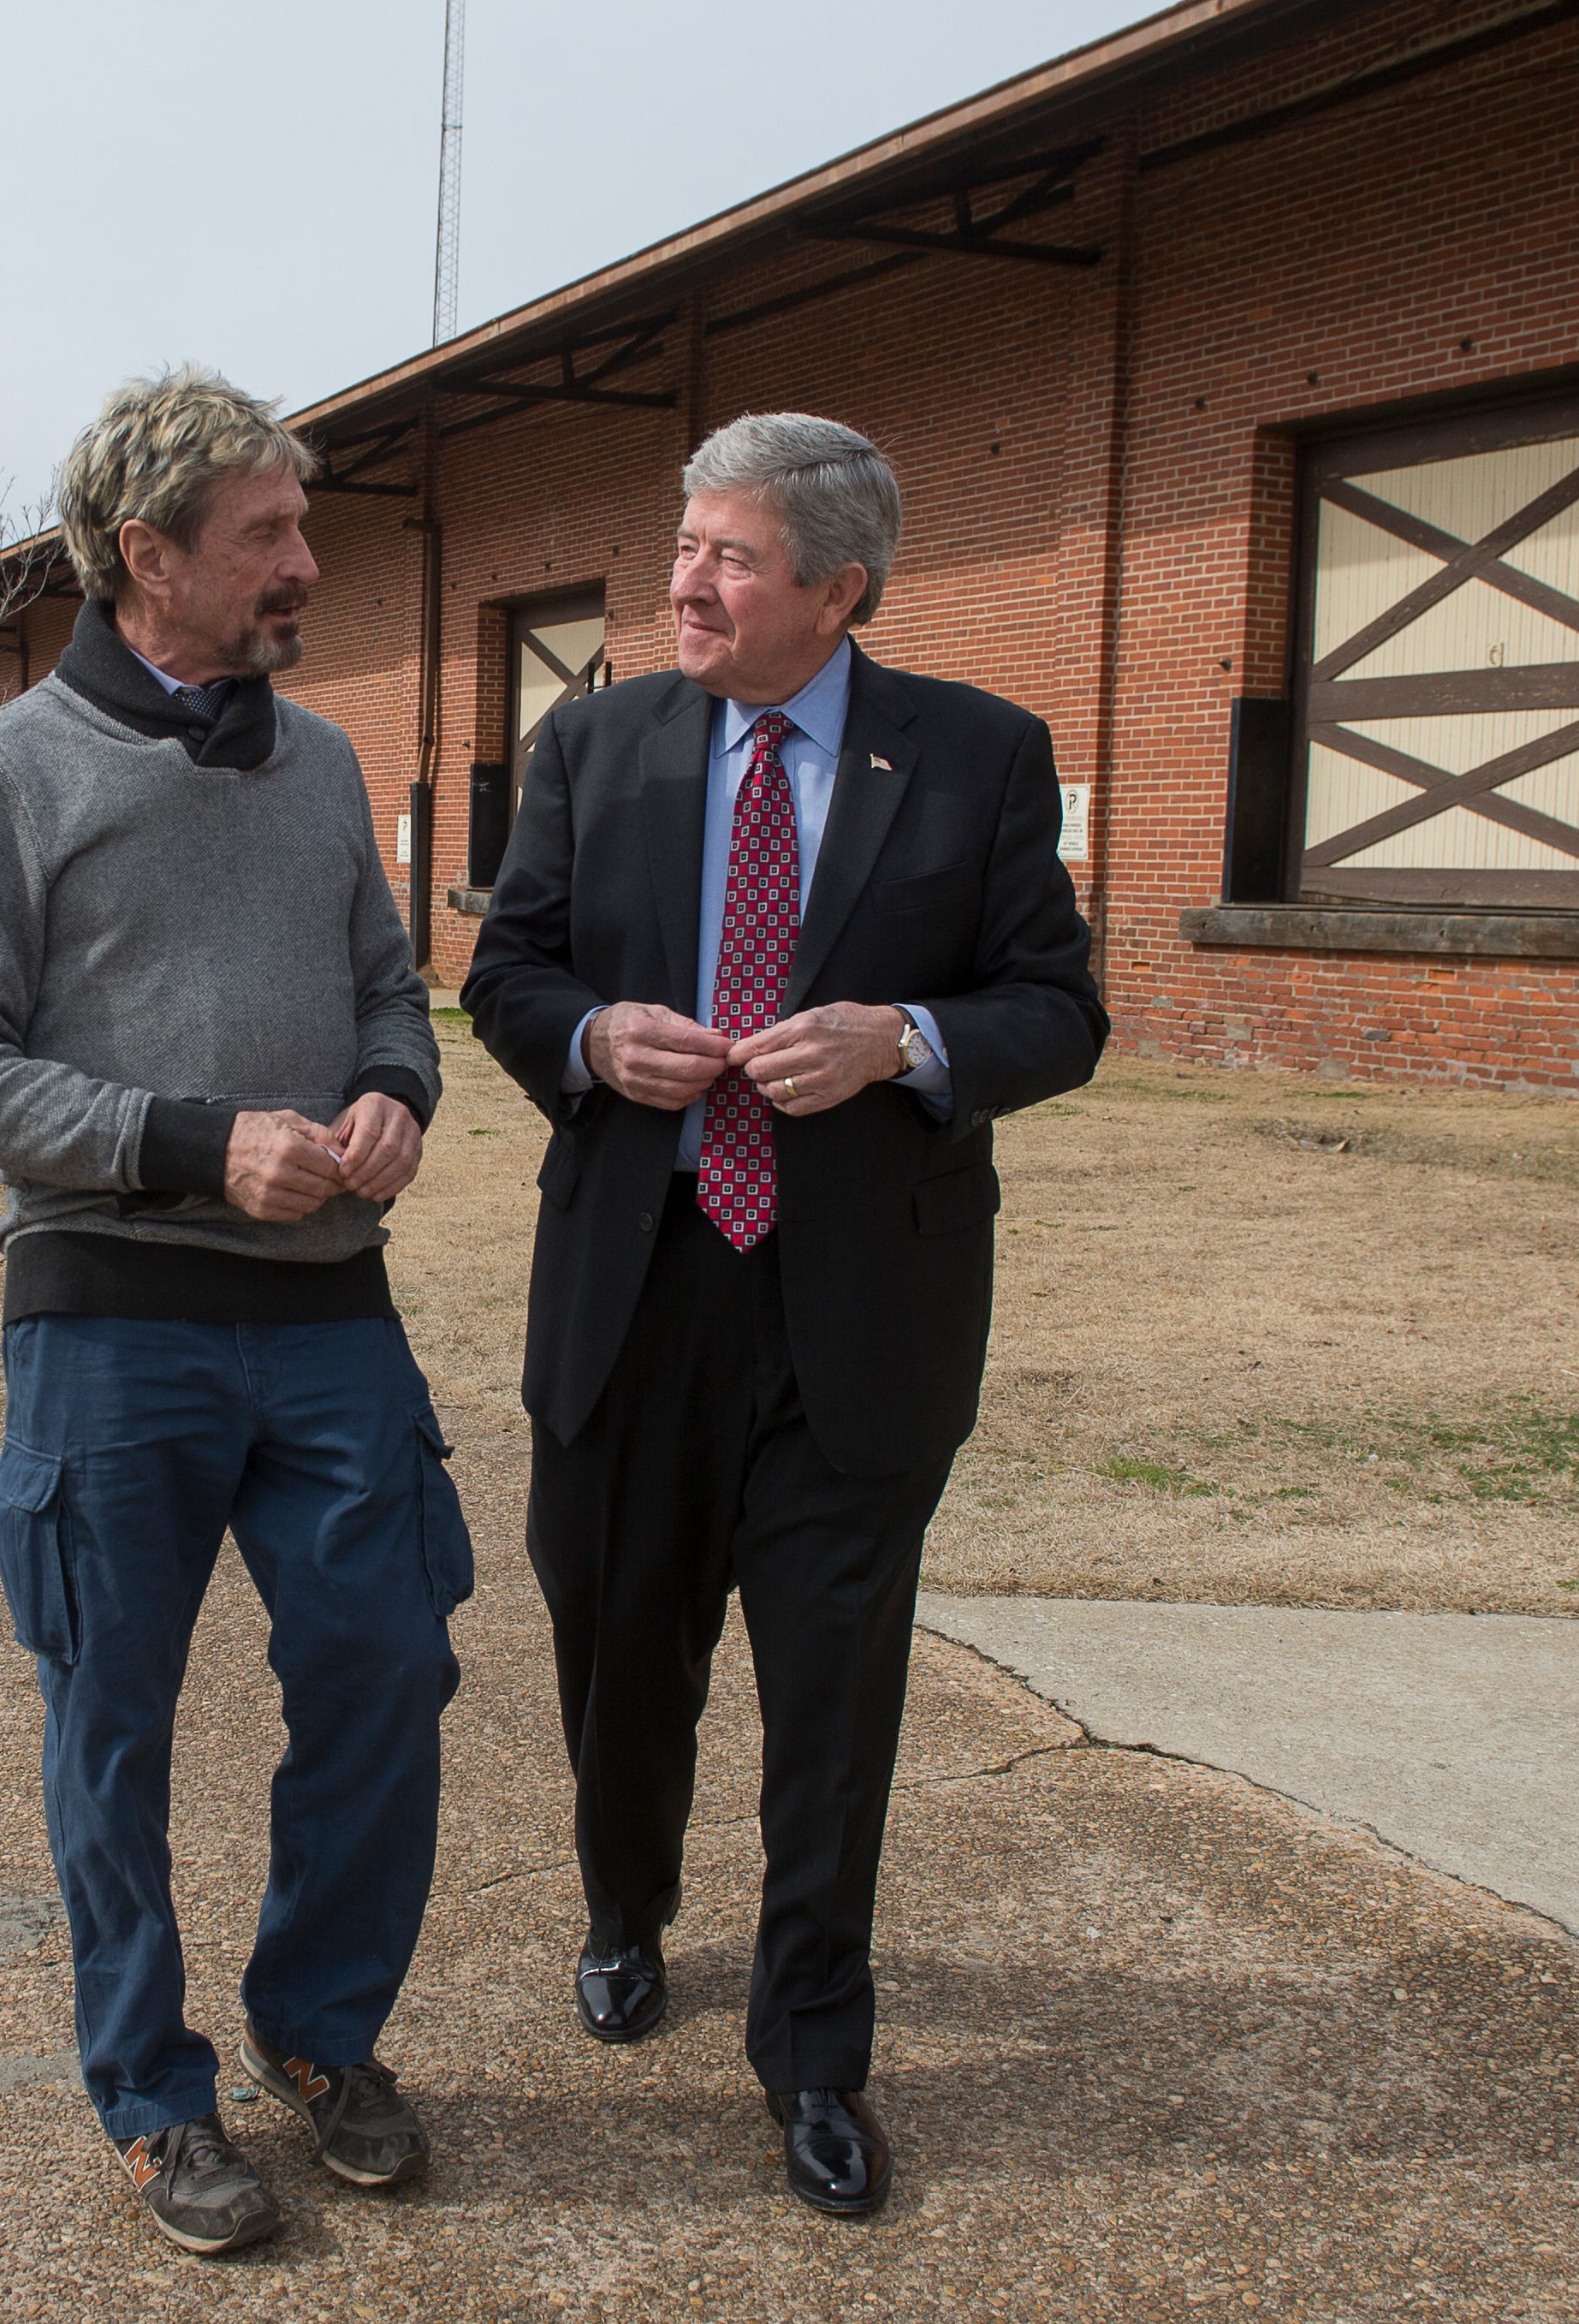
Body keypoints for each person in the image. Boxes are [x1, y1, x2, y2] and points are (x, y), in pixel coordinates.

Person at [460, 412, 1106, 2216]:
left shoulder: (977, 757)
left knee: (833, 1703)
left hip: (858, 1318)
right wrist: (592, 1041)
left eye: (727, 556)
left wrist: (908, 1043)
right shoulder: (595, 744)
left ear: (836, 586)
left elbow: (1059, 1011)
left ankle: (815, 2048)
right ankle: (625, 1906)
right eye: (682, 547)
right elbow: (504, 975)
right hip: (633, 1296)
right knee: (618, 1650)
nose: (682, 583)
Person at [0, 367, 465, 2258]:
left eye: (301, 528)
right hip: (108, 1323)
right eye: (268, 535)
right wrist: (189, 1145)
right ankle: (154, 2097)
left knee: (385, 1664)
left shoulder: (314, 767)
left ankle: (319, 2033)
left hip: (333, 1320)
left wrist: (400, 1092)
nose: (306, 562)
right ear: (147, 557)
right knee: (112, 1721)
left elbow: (391, 992)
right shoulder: (7, 771)